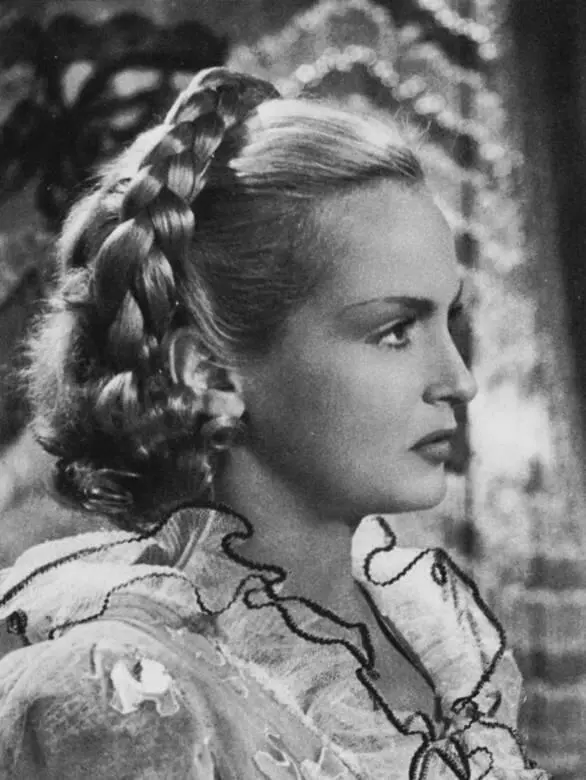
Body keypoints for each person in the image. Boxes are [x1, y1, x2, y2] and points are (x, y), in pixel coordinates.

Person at [0, 67, 547, 779]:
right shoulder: (121, 693)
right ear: (211, 373)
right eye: (393, 331)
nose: (458, 381)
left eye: (450, 320)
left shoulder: (435, 641)